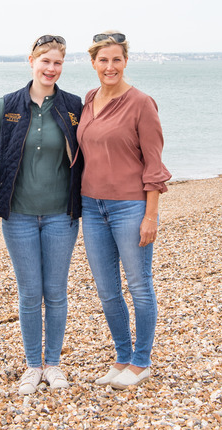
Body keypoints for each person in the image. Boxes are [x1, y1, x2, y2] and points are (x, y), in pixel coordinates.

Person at [0, 35, 83, 395]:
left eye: (57, 63)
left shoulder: (73, 107)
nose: (51, 69)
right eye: (45, 61)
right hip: (19, 216)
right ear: (31, 61)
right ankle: (31, 366)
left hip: (61, 215)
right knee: (29, 294)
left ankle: (52, 363)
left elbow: (97, 151)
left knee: (55, 293)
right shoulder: (7, 105)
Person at [76, 31, 171, 388]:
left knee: (139, 286)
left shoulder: (142, 103)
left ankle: (141, 361)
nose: (110, 66)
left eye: (116, 59)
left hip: (130, 207)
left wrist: (151, 215)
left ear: (126, 61)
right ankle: (122, 357)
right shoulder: (89, 99)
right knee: (107, 289)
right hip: (91, 205)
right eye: (103, 60)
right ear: (93, 63)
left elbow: (154, 164)